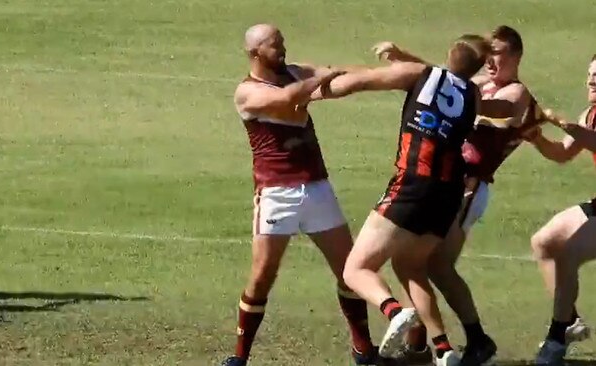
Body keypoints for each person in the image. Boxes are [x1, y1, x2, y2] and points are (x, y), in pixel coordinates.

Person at [370, 25, 567, 365]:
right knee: (422, 263)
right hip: (448, 184)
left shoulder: (517, 94)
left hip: (470, 189)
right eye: (489, 53)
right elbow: (445, 83)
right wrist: (404, 58)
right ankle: (427, 343)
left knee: (435, 265)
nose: (492, 60)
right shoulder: (478, 85)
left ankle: (467, 341)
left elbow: (485, 106)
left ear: (517, 56)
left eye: (501, 53)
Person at [316, 34, 492, 366]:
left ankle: (393, 310)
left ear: (449, 52)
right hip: (448, 194)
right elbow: (444, 77)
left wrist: (313, 93)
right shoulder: (473, 94)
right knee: (410, 266)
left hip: (414, 184)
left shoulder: (421, 75)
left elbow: (362, 81)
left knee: (355, 269)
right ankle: (443, 350)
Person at [220, 23, 382, 366]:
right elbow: (286, 98)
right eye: (275, 45)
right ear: (254, 52)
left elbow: (331, 76)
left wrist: (375, 75)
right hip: (276, 192)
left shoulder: (295, 72)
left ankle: (363, 350)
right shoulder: (247, 92)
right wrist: (318, 82)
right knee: (263, 276)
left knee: (350, 269)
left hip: (317, 187)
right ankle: (239, 357)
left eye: (283, 43)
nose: (283, 49)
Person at [527, 54, 596, 365]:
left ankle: (555, 340)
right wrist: (536, 137)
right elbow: (562, 153)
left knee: (568, 250)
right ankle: (570, 320)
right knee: (545, 242)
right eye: (590, 74)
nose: (592, 80)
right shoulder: (591, 115)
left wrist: (560, 121)